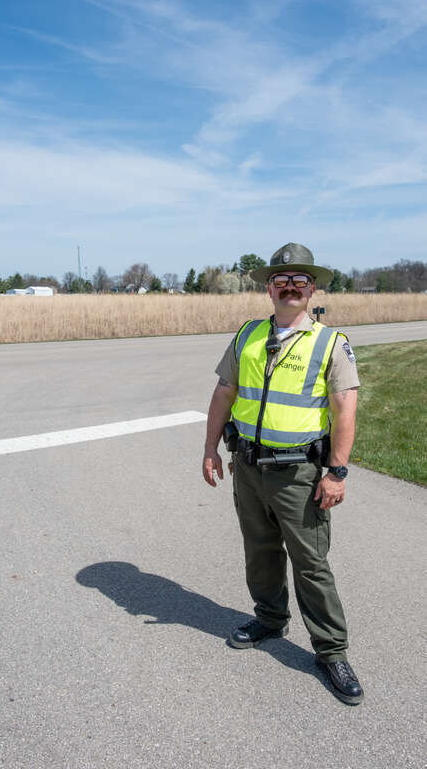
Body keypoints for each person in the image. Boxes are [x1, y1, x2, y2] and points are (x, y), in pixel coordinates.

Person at [202, 242, 364, 705]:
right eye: (281, 280)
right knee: (260, 550)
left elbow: (345, 408)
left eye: (300, 281)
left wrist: (336, 472)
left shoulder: (331, 343)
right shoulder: (248, 335)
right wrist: (210, 448)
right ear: (269, 289)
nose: (290, 288)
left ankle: (331, 650)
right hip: (248, 469)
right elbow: (224, 392)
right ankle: (270, 619)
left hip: (300, 475)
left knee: (311, 563)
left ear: (311, 289)